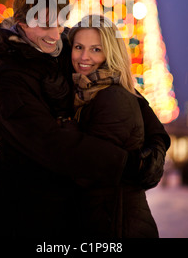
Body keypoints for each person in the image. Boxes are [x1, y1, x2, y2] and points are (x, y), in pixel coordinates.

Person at [0, 0, 169, 237]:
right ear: (22, 22)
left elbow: (121, 86)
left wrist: (158, 141)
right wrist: (128, 165)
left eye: (59, 23)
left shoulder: (67, 47)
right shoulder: (9, 78)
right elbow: (53, 144)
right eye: (44, 25)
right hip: (28, 217)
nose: (53, 34)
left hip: (74, 214)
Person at [68, 14, 162, 238]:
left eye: (96, 49)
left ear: (111, 53)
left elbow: (93, 169)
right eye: (78, 46)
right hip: (105, 219)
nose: (84, 57)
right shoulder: (86, 91)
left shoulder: (113, 97)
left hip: (117, 225)